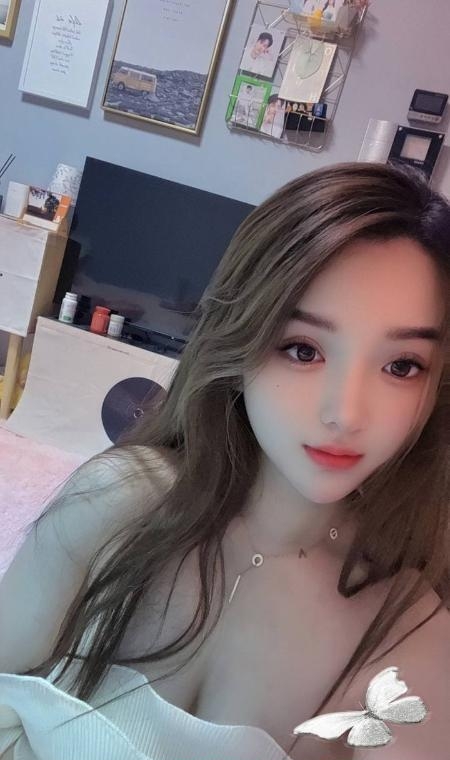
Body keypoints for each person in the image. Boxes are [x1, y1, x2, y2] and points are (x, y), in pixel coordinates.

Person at [0, 162, 449, 760]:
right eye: (303, 349)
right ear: (239, 343)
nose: (345, 414)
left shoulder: (405, 629)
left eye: (401, 365)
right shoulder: (116, 501)